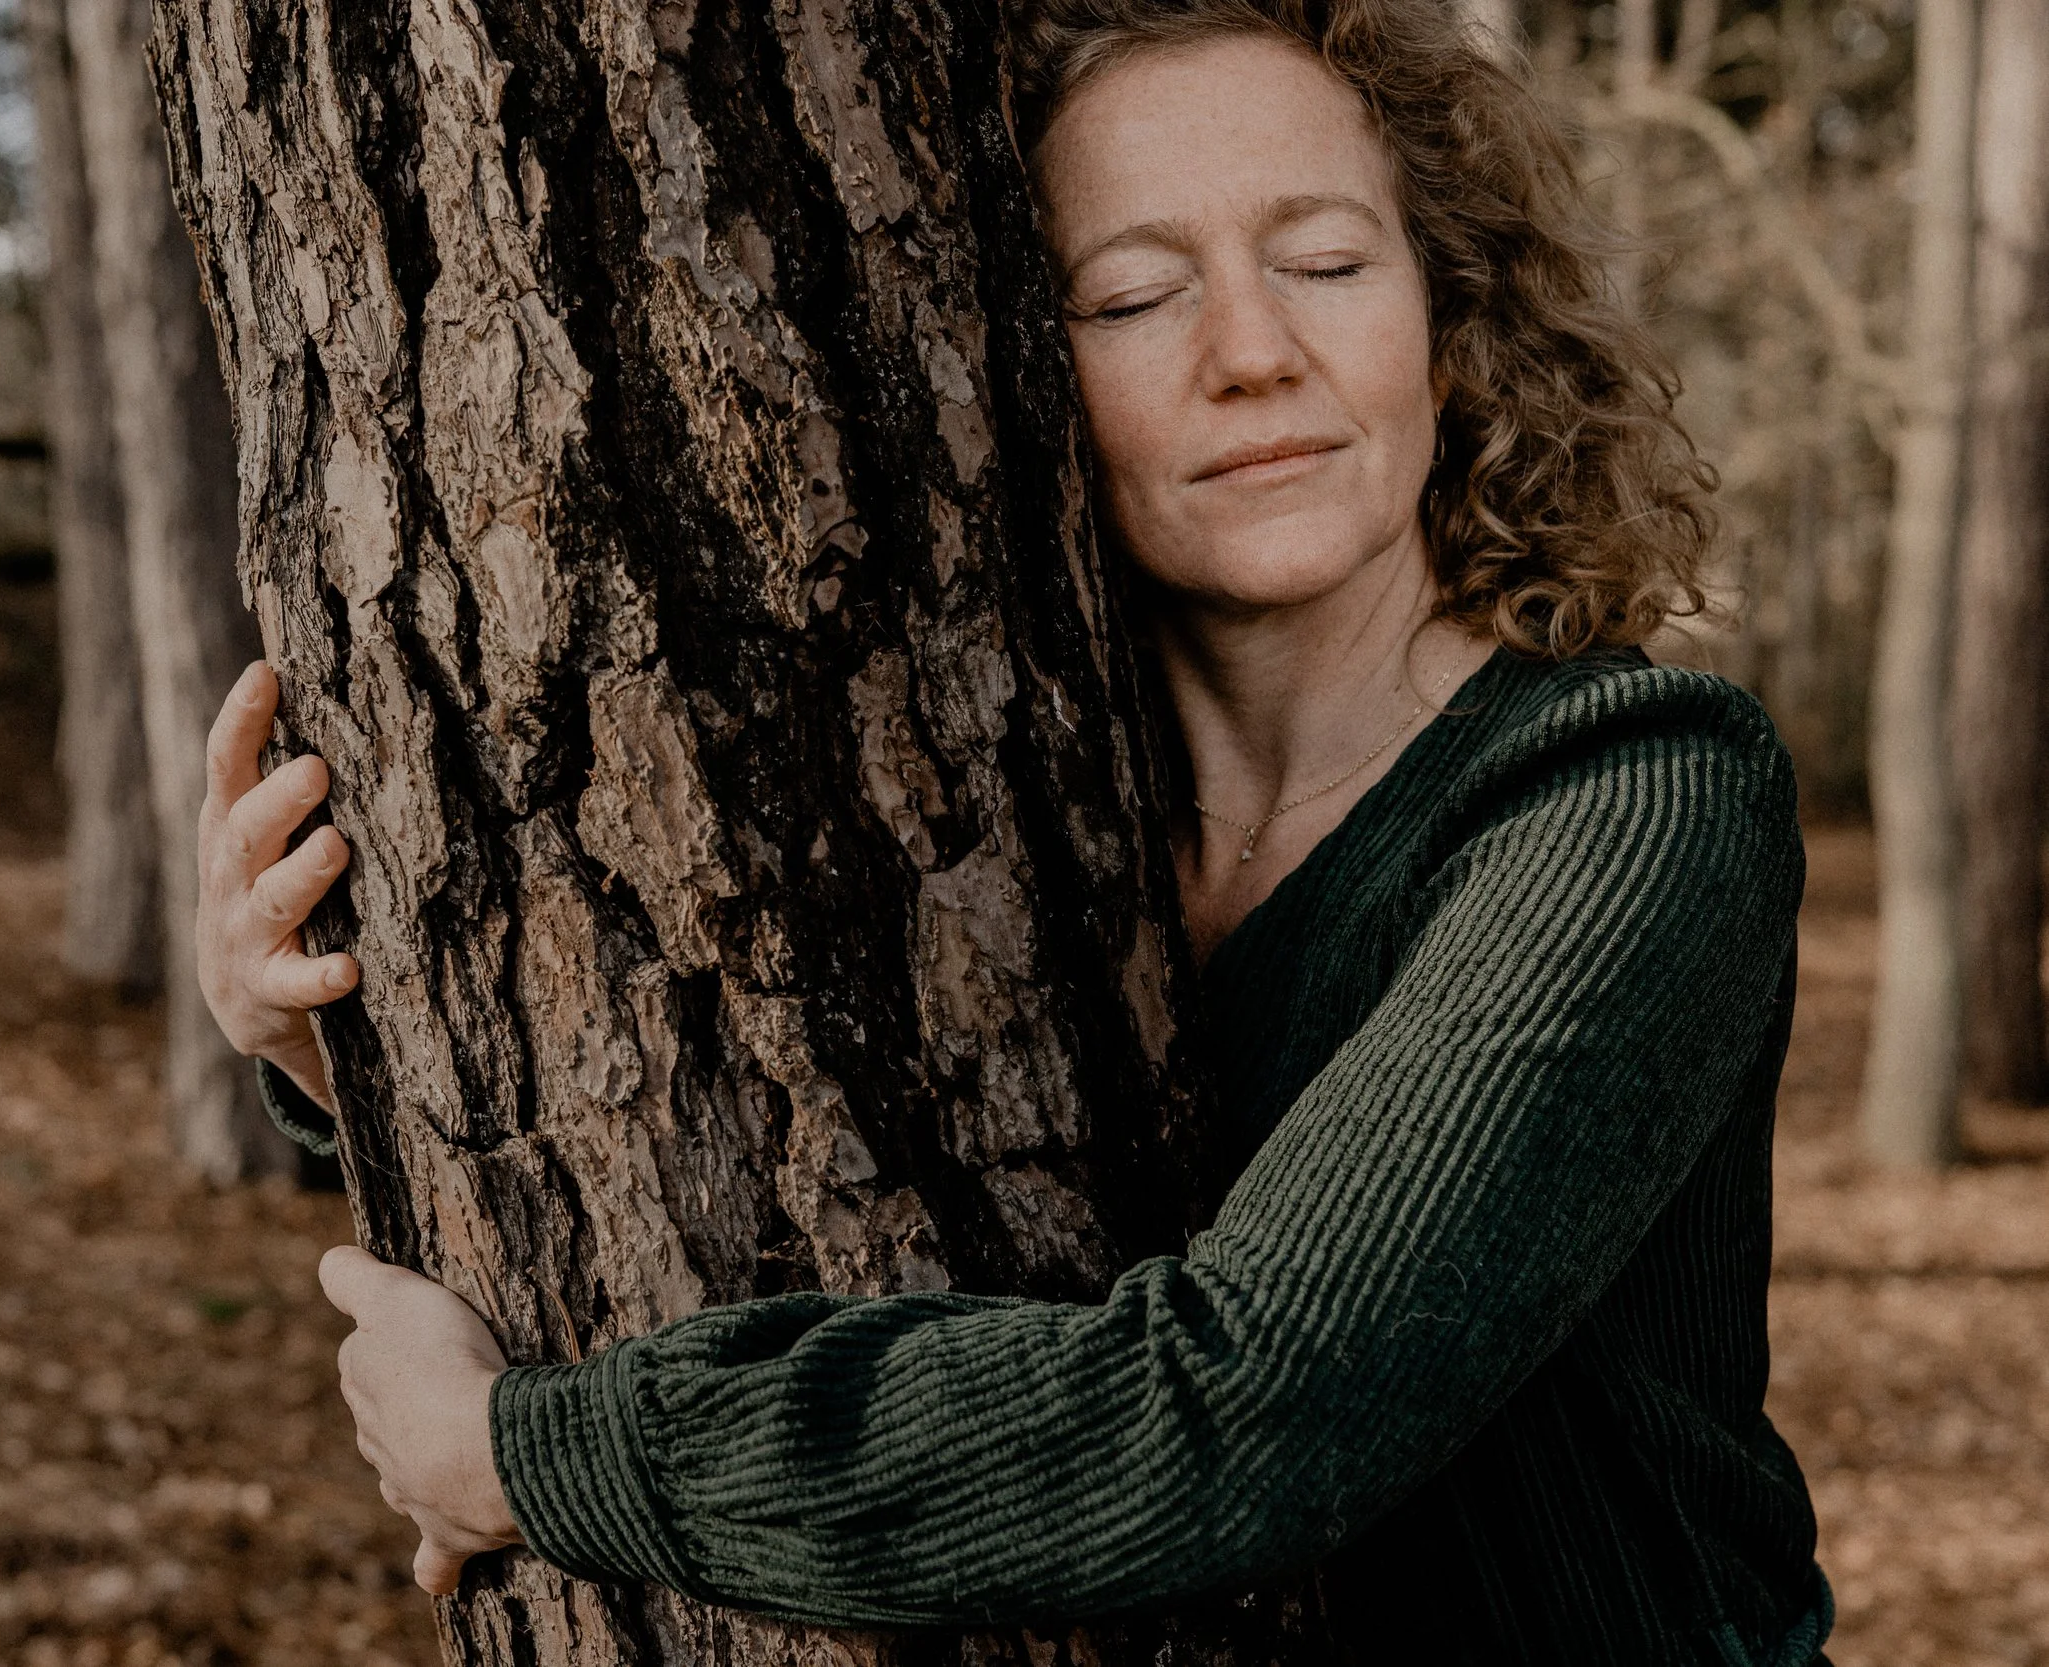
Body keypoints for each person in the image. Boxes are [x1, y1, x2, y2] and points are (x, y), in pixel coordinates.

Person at [193, 0, 1831, 1660]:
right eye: (1132, 294)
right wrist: (350, 1048)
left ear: (1448, 321)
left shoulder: (1632, 791)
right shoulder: (1016, 811)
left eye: (1330, 264)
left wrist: (530, 1454)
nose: (1254, 349)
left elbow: (1236, 1418)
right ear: (1015, 372)